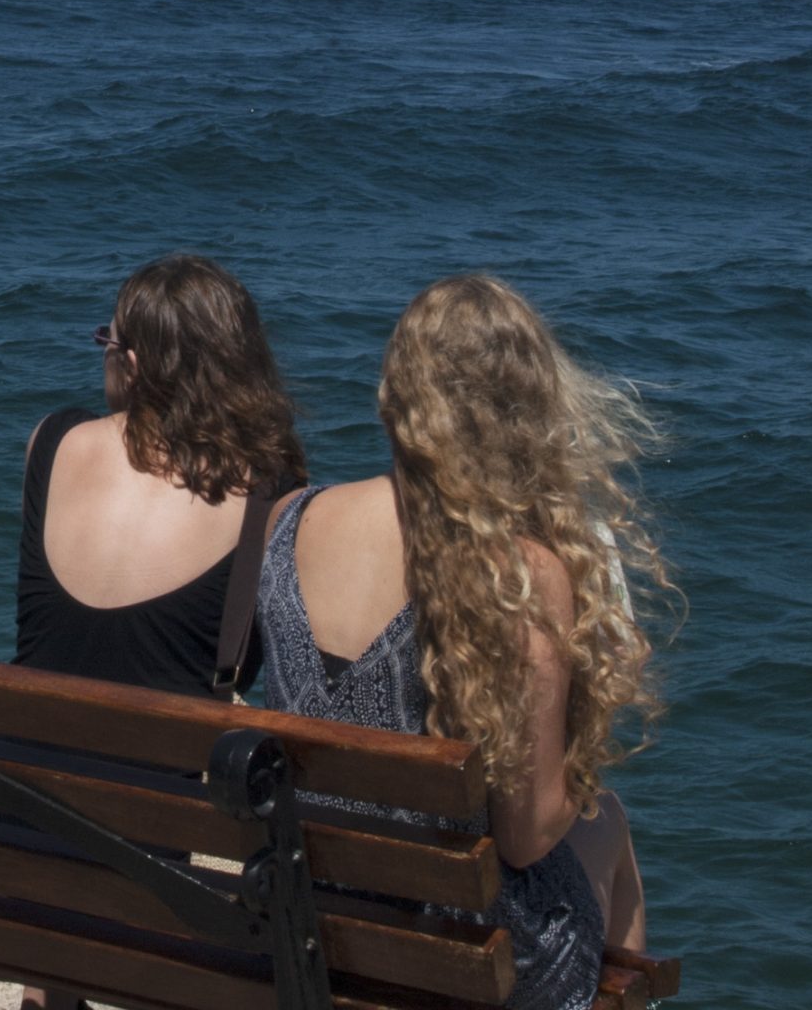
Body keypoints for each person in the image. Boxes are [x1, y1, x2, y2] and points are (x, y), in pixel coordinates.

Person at [256, 276, 664, 1009]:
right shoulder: (519, 572)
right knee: (604, 823)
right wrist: (581, 741)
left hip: (309, 923)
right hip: (447, 956)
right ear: (526, 414)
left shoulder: (290, 519)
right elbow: (528, 836)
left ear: (395, 396)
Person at [17, 255, 305, 699]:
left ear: (131, 365)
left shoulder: (53, 441)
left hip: (19, 751)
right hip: (167, 767)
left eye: (104, 342)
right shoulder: (271, 490)